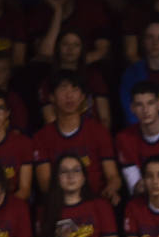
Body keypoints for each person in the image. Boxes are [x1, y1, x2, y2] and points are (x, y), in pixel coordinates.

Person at [31, 71, 121, 200]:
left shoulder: (98, 131)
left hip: (95, 201)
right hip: (59, 204)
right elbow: (45, 185)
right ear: (51, 97)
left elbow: (113, 176)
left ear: (82, 96)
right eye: (63, 89)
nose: (69, 95)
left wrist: (111, 189)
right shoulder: (41, 137)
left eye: (75, 89)